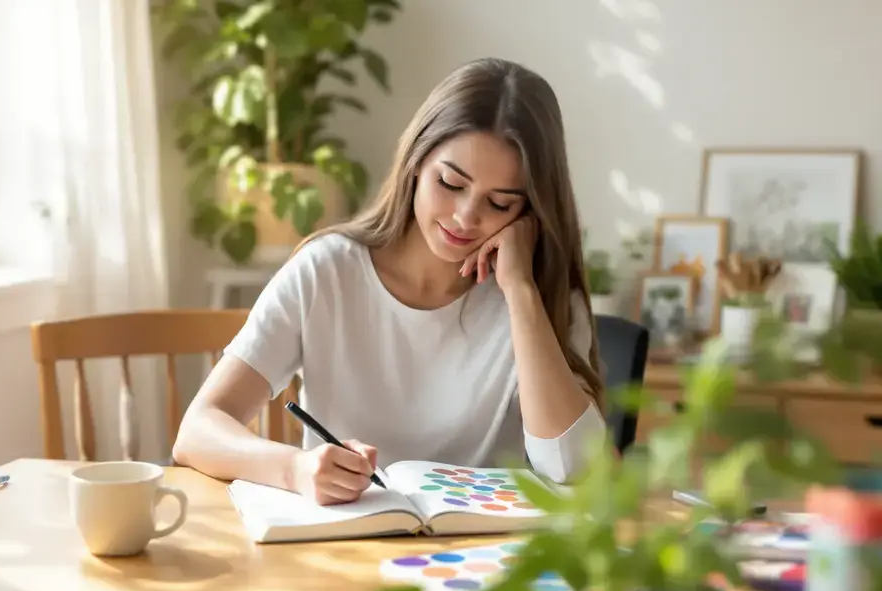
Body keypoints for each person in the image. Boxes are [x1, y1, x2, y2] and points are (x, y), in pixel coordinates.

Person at [173, 57, 608, 505]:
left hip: (481, 559)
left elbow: (577, 470)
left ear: (528, 211)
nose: (465, 217)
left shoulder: (542, 299)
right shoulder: (326, 271)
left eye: (499, 203)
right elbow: (198, 430)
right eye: (450, 183)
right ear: (417, 162)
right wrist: (295, 469)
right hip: (344, 547)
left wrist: (520, 293)